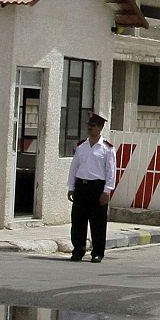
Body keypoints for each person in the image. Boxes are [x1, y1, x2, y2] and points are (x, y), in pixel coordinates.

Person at [67, 112, 116, 263]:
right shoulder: (82, 146)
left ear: (100, 128)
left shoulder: (107, 149)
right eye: (89, 125)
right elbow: (74, 167)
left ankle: (97, 252)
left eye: (93, 125)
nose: (90, 128)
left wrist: (107, 190)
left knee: (98, 223)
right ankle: (78, 250)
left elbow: (111, 171)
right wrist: (71, 186)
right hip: (82, 186)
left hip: (97, 188)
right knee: (78, 221)